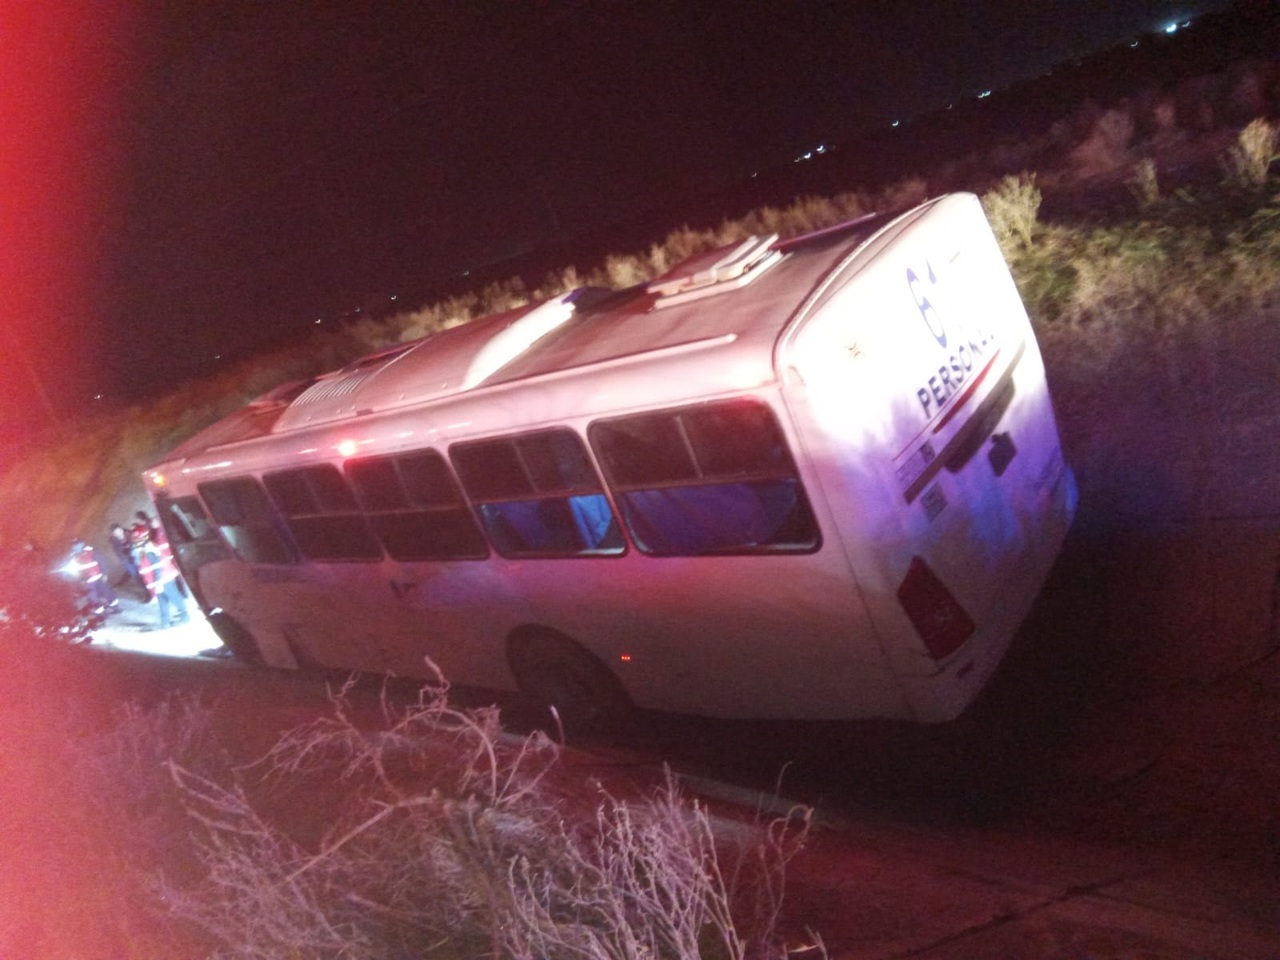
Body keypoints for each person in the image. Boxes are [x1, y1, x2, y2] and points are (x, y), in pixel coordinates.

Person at [136, 538, 189, 629]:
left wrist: (158, 583)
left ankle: (184, 616)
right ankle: (165, 621)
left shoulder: (149, 553)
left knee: (175, 598)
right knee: (163, 602)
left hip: (164, 581)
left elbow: (157, 567)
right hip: (161, 581)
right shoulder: (149, 550)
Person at [65, 538, 118, 614]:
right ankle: (100, 614)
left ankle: (115, 607)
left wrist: (105, 573)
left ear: (82, 544)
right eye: (74, 545)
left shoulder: (92, 551)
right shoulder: (72, 557)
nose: (76, 546)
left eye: (78, 544)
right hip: (87, 582)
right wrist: (78, 580)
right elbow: (72, 572)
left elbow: (101, 561)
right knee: (93, 597)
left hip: (99, 577)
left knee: (107, 592)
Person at [108, 523, 144, 590]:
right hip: (127, 560)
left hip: (136, 556)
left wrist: (134, 553)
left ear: (121, 529)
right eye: (116, 533)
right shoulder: (114, 541)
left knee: (143, 571)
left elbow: (137, 544)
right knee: (136, 575)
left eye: (119, 531)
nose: (119, 534)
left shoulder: (130, 534)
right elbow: (118, 553)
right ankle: (145, 589)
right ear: (113, 534)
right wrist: (126, 558)